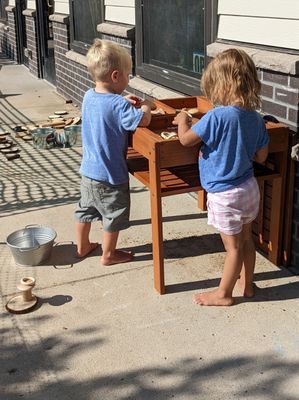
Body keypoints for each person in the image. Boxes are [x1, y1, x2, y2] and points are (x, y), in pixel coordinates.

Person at [173, 48, 269, 306]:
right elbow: (261, 156)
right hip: (248, 188)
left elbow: (185, 140)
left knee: (232, 248)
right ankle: (247, 286)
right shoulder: (256, 119)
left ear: (223, 84)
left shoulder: (216, 116)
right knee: (246, 241)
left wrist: (183, 119)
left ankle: (223, 293)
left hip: (225, 194)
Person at [75, 39, 152, 265]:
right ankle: (108, 255)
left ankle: (82, 247)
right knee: (113, 215)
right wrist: (147, 105)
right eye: (128, 75)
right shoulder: (120, 106)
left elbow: (105, 106)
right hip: (110, 175)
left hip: (88, 172)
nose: (128, 80)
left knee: (84, 210)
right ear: (116, 76)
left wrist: (122, 100)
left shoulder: (89, 96)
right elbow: (143, 120)